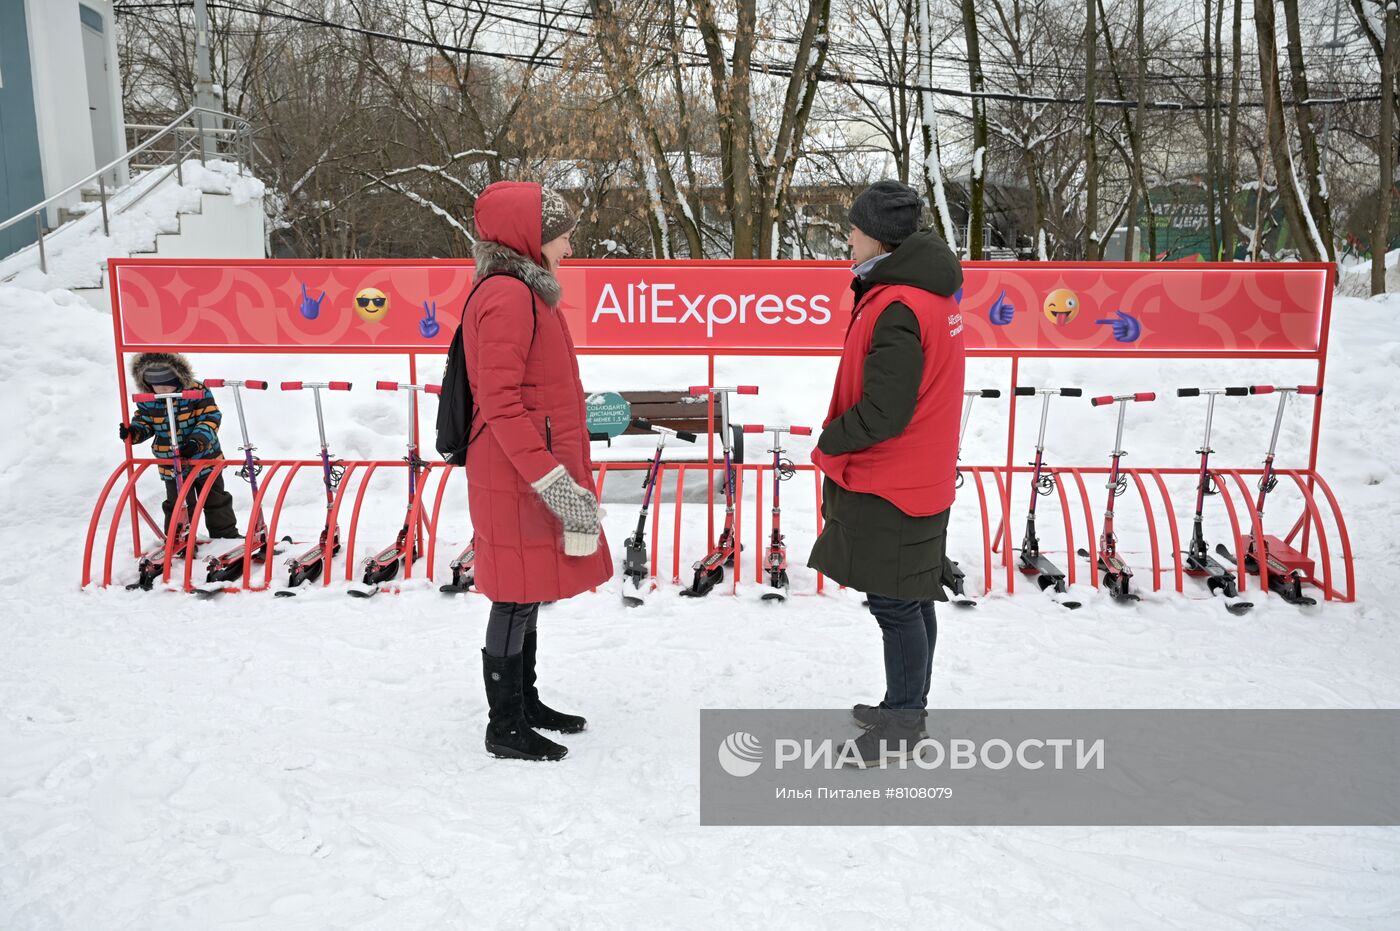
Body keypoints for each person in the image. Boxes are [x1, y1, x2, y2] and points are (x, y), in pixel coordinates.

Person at [807, 180, 966, 768]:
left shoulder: (900, 304)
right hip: (918, 473)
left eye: (852, 228)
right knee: (910, 592)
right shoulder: (924, 292)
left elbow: (884, 411)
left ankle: (903, 723)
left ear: (876, 236)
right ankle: (906, 704)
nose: (846, 237)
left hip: (892, 478)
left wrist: (832, 439)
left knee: (897, 603)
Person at [464, 181, 613, 762]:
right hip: (517, 472)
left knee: (525, 589)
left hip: (527, 466)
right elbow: (501, 403)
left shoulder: (526, 291)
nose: (570, 246)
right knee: (512, 593)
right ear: (531, 235)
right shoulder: (507, 295)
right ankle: (504, 726)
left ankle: (524, 703)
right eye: (562, 235)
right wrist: (551, 480)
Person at [120, 352, 240, 539]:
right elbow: (145, 422)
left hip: (205, 458)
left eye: (168, 383)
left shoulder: (197, 391)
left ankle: (224, 535)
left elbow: (210, 417)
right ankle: (179, 539)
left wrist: (196, 441)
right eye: (156, 385)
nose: (162, 389)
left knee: (215, 499)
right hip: (171, 464)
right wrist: (133, 432)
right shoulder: (149, 399)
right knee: (179, 504)